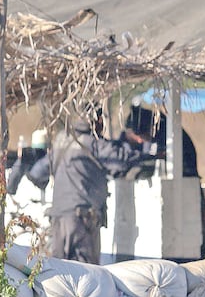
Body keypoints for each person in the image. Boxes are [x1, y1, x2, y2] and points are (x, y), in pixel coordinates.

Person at [48, 105, 152, 263]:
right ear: (96, 120)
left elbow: (37, 172)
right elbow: (120, 160)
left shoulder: (61, 140)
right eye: (101, 120)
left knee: (56, 272)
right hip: (81, 221)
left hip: (57, 218)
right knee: (85, 274)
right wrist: (147, 154)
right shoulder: (92, 143)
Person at [123, 102, 199, 178]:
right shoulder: (162, 130)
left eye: (142, 137)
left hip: (185, 174)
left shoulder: (166, 132)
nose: (140, 141)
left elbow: (161, 157)